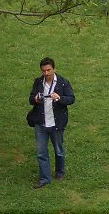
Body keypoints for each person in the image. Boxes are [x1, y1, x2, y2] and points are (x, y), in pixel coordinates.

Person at [27, 57, 76, 189]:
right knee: (41, 152)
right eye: (43, 71)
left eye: (48, 70)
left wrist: (59, 98)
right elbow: (31, 99)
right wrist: (35, 99)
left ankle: (60, 173)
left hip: (56, 123)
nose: (46, 73)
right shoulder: (38, 82)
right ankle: (45, 178)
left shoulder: (63, 83)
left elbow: (71, 99)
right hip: (41, 123)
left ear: (54, 69)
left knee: (58, 150)